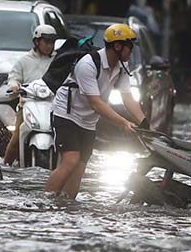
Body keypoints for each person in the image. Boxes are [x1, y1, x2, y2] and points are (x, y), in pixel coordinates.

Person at [43, 23, 145, 199]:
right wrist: (123, 123)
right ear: (117, 46)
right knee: (71, 160)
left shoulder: (121, 67)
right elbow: (96, 103)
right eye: (129, 46)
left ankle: (66, 206)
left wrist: (144, 122)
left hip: (89, 122)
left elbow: (127, 97)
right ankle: (45, 201)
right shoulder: (88, 64)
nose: (131, 51)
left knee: (80, 167)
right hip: (66, 114)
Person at [3, 24, 58, 164]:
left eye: (52, 42)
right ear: (37, 42)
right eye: (46, 42)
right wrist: (14, 85)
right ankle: (5, 167)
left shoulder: (57, 61)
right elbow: (14, 78)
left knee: (65, 139)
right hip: (27, 105)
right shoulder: (24, 60)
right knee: (16, 139)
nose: (49, 46)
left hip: (53, 105)